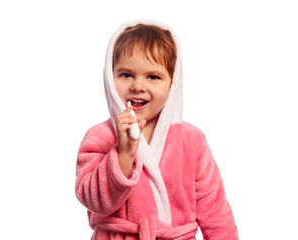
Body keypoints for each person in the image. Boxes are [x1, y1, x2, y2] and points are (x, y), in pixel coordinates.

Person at [75, 19, 238, 240]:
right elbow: (93, 200)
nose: (138, 86)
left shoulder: (192, 140)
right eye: (126, 74)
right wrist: (123, 154)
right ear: (109, 77)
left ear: (172, 83)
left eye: (153, 77)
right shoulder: (99, 137)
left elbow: (215, 212)